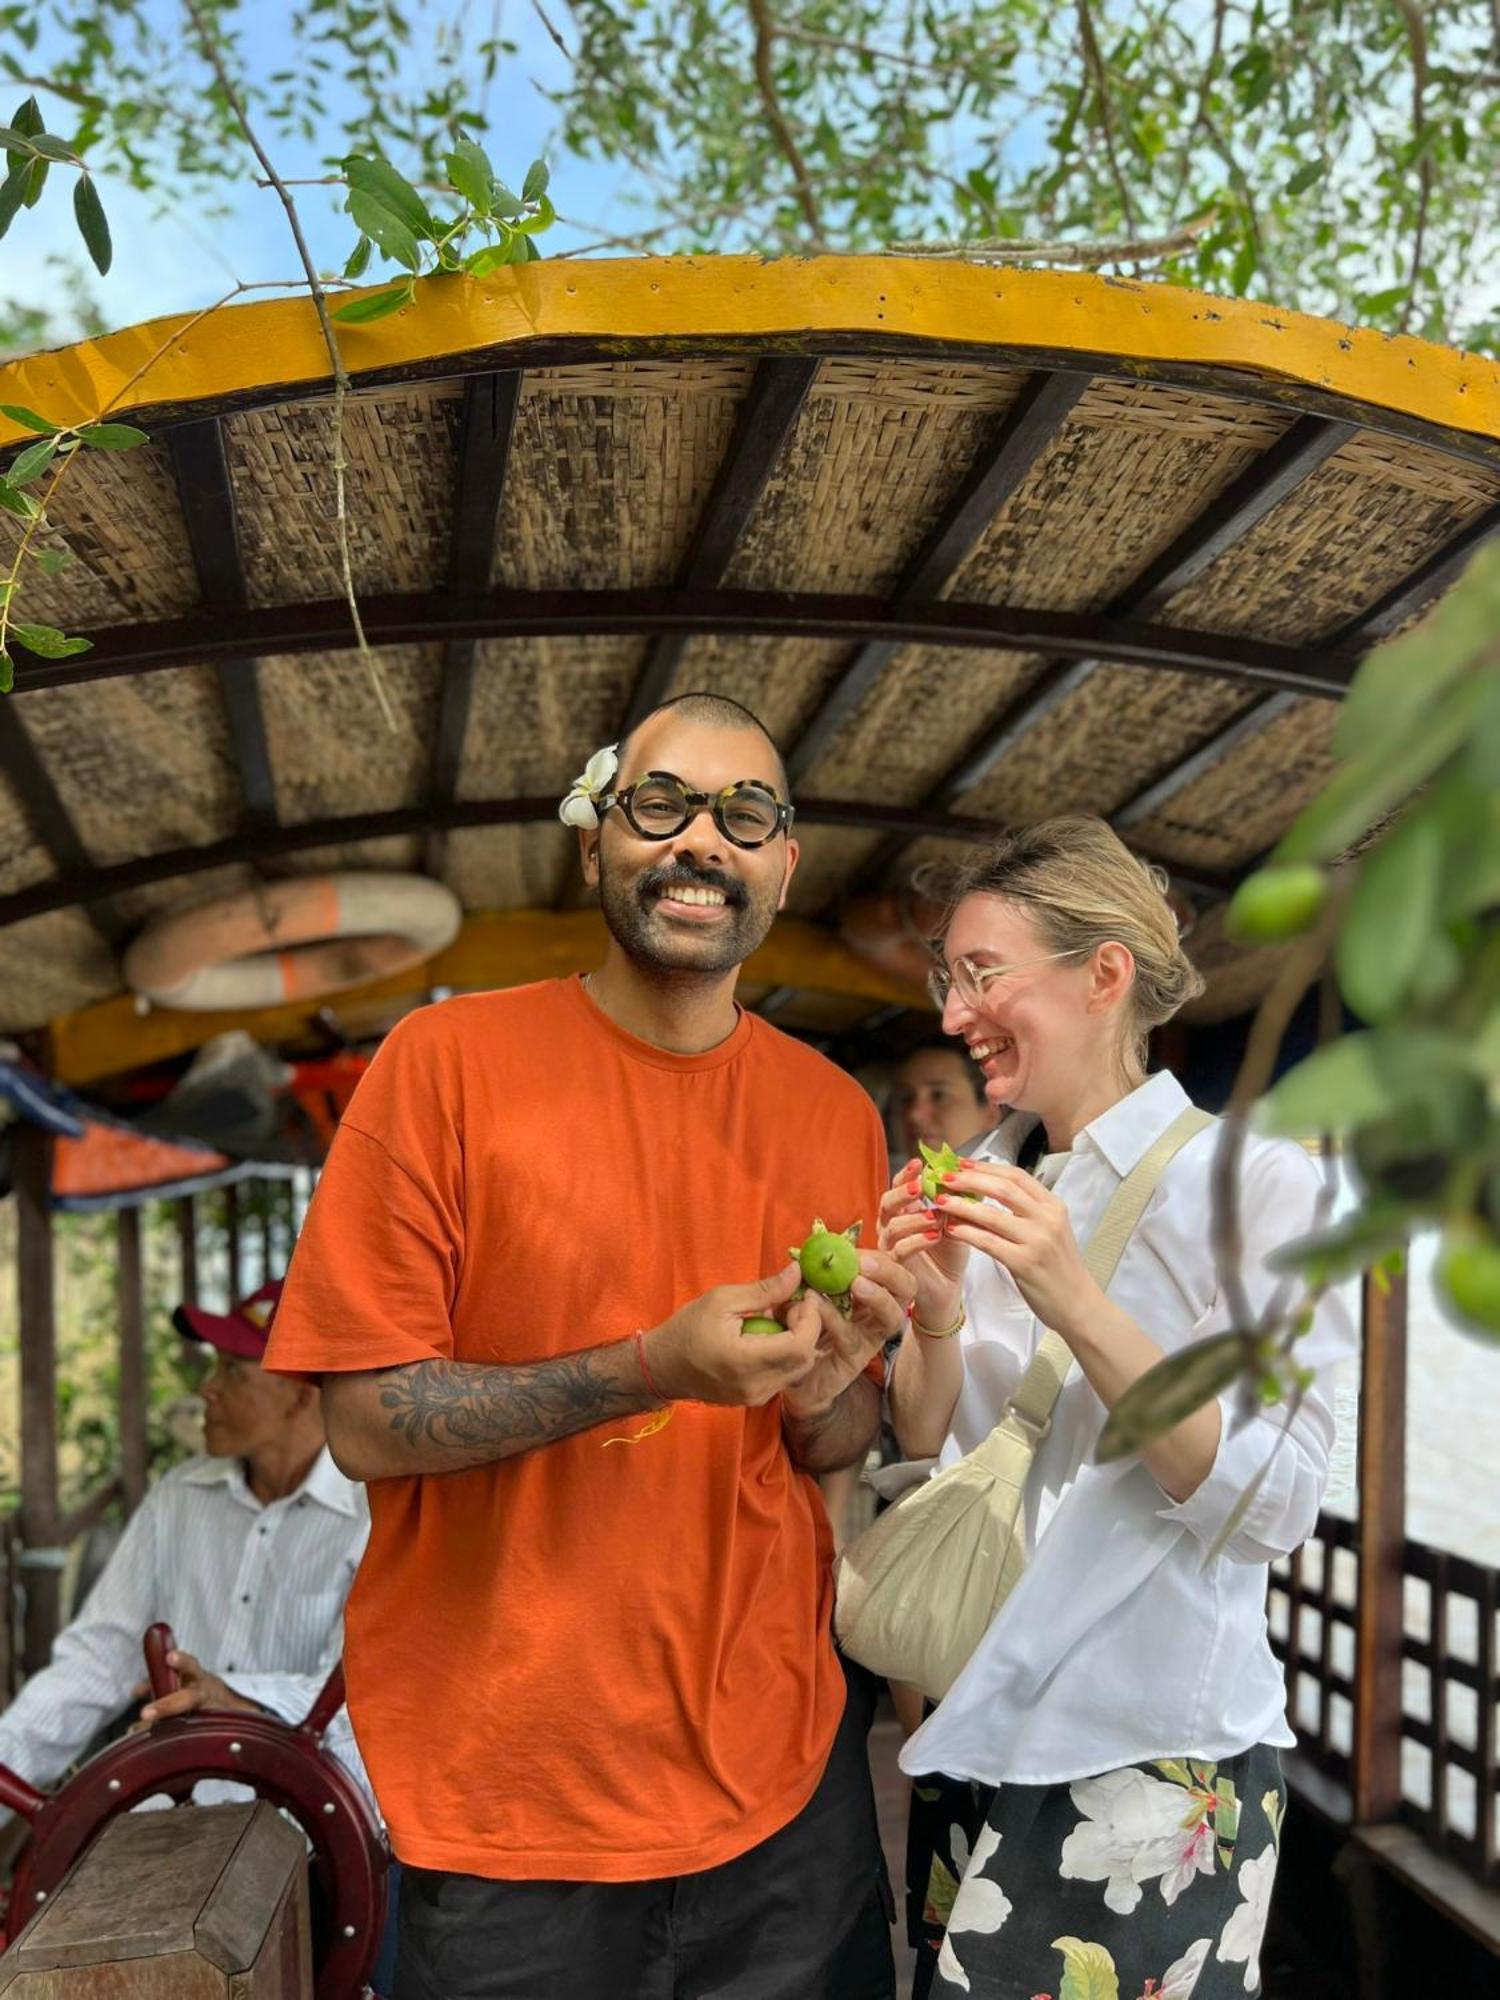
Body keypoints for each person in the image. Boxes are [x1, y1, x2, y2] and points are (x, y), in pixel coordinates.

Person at [264, 692, 917, 2000]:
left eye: (746, 816)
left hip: (782, 1778)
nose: (702, 845)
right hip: (512, 1802)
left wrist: (830, 1396)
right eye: (660, 805)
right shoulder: (441, 1066)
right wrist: (647, 1369)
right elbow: (365, 1419)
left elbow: (830, 1442)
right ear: (595, 843)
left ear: (785, 867)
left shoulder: (837, 1114)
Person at [878, 816, 1355, 2000]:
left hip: (1145, 1752)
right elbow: (934, 1443)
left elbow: (1278, 1502)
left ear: (1104, 975)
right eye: (949, 980)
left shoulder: (1264, 1182)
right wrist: (934, 1311)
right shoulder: (1011, 1182)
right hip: (975, 1723)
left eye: (983, 975)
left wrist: (1077, 1298)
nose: (952, 1013)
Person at [0, 1279, 369, 1815]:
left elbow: (358, 1706)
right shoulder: (180, 1496)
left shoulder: (372, 1516)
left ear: (302, 1395)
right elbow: (96, 1661)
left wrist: (232, 1698)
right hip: (166, 1821)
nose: (206, 1390)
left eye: (232, 1371)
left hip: (308, 1834)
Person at [889, 1041, 990, 1168]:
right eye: (905, 1098)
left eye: (938, 1095)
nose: (914, 1115)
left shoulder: (1017, 1181)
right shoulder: (879, 1181)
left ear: (991, 1111)